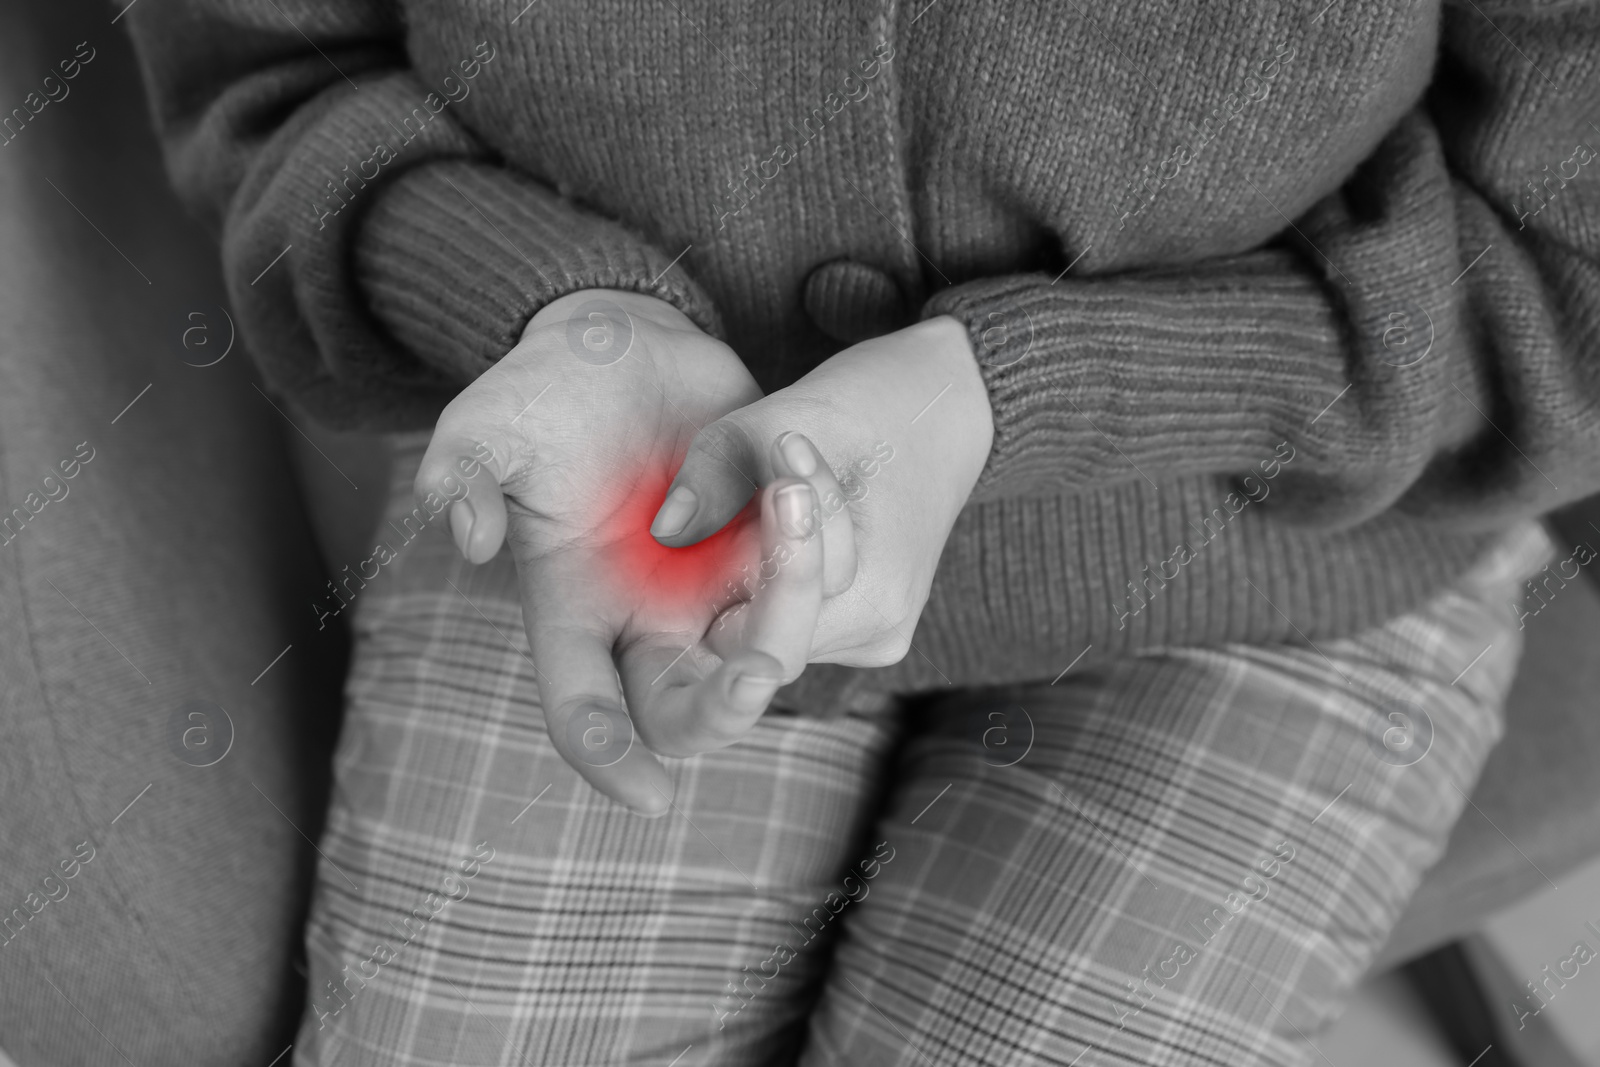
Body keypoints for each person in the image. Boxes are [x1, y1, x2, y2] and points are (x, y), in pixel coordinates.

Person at [125, 0, 1599, 1063]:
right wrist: (545, 311)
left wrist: (1039, 395)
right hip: (625, 503)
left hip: (1294, 530)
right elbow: (268, 73)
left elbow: (1571, 260)